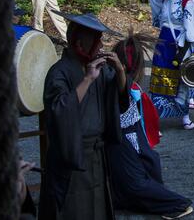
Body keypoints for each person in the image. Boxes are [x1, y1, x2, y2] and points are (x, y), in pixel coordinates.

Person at [40, 12, 128, 220]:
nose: (100, 47)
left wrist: (120, 71)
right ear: (80, 43)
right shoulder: (59, 71)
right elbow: (59, 110)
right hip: (70, 154)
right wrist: (87, 79)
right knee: (71, 210)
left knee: (98, 209)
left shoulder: (99, 68)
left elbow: (119, 101)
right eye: (95, 42)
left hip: (96, 154)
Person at [106, 34, 194, 219]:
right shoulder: (124, 85)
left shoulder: (124, 85)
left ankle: (179, 203)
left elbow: (122, 90)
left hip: (129, 144)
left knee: (136, 185)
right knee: (132, 184)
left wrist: (120, 72)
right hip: (133, 144)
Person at [139, 0, 194, 131]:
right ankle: (157, 119)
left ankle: (185, 116)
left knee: (182, 81)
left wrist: (182, 53)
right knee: (160, 78)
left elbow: (191, 31)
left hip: (180, 45)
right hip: (164, 42)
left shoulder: (188, 3)